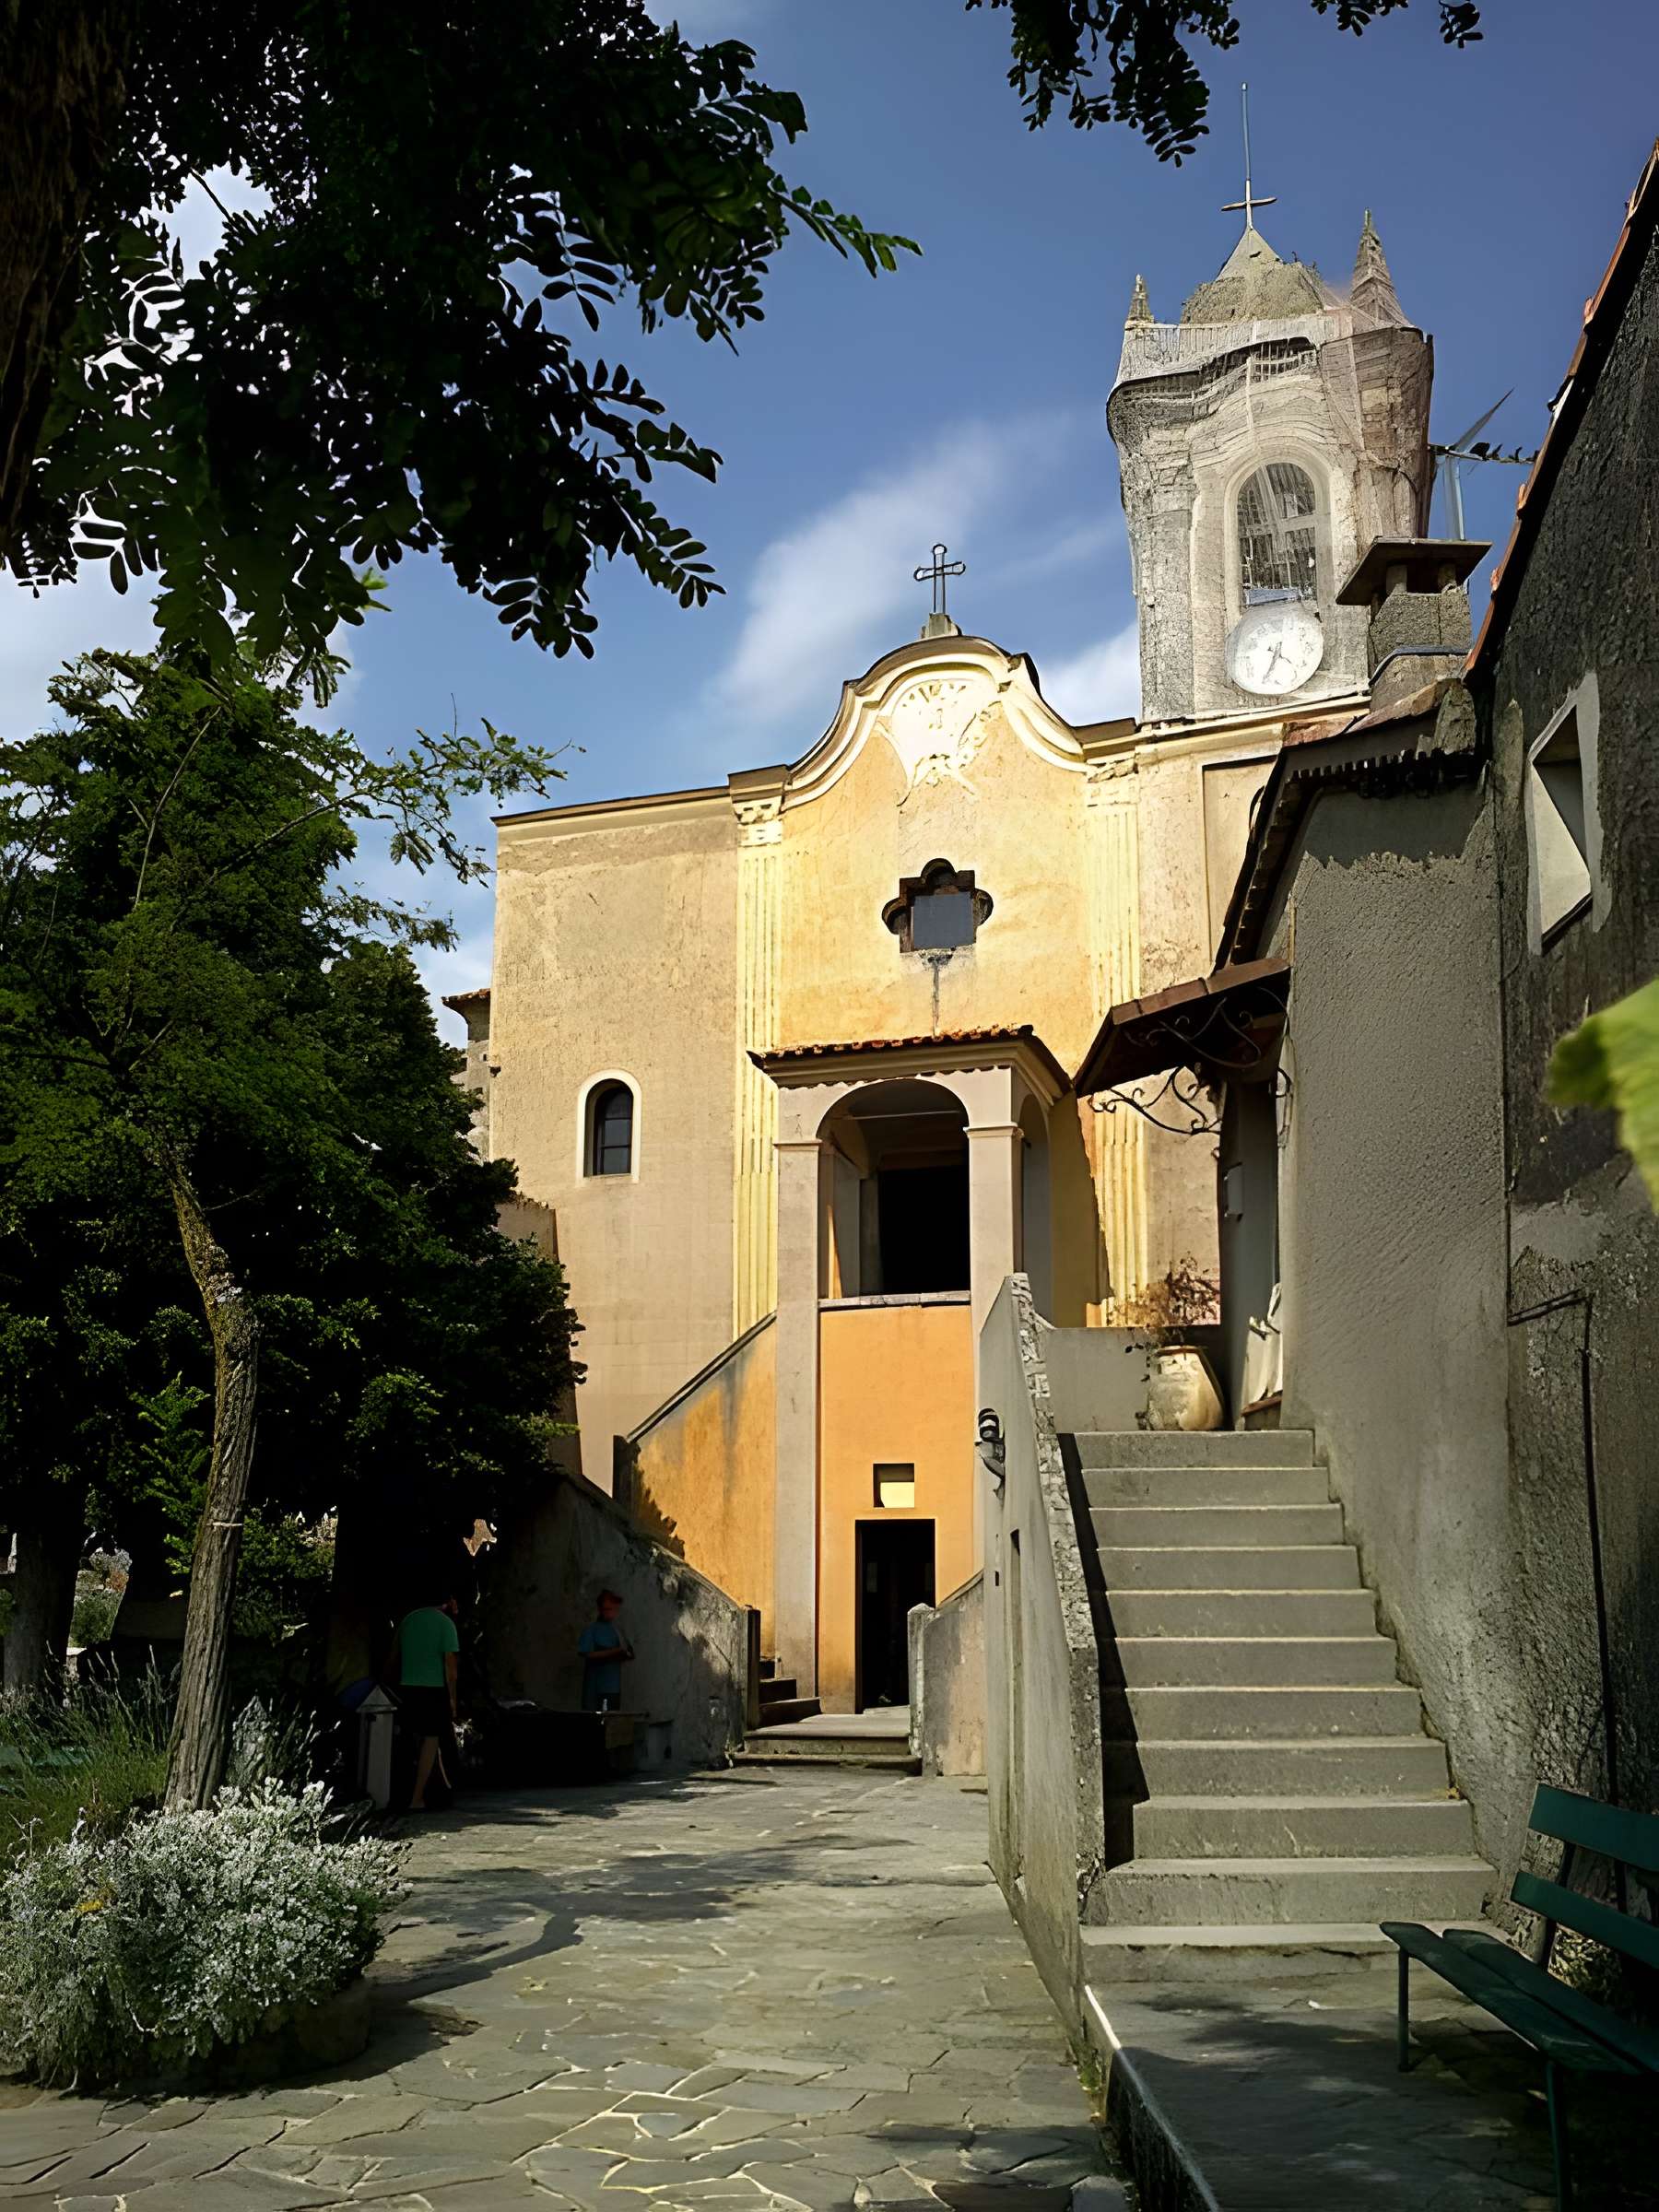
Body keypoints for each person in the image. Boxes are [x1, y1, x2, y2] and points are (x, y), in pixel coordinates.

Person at [391, 1587, 460, 1811]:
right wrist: (452, 1699)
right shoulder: (446, 1624)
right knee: (431, 1741)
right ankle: (417, 1797)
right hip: (434, 1689)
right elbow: (451, 1669)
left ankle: (400, 1792)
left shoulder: (409, 1620)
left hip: (406, 1687)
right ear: (447, 1602)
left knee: (408, 1740)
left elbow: (393, 1656)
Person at [577, 1589, 633, 1713]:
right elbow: (587, 1654)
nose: (610, 1613)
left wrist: (622, 1653)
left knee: (612, 1722)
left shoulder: (617, 1630)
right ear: (600, 1609)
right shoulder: (592, 1630)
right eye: (607, 1609)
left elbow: (629, 1653)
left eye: (613, 1609)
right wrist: (614, 1651)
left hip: (613, 1688)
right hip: (595, 1688)